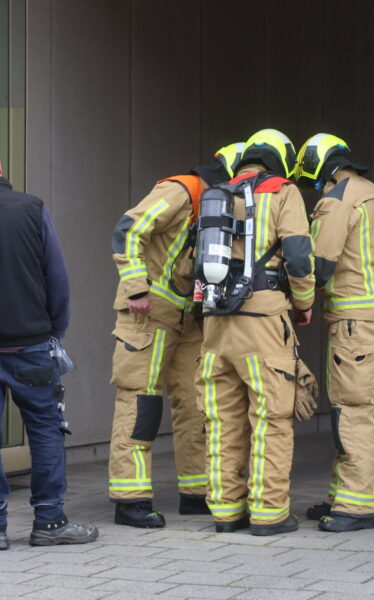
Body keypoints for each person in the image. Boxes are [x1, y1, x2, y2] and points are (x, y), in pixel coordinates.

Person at [0, 140, 98, 550]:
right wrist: (53, 330)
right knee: (45, 430)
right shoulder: (33, 209)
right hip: (30, 344)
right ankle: (49, 521)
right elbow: (56, 276)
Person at [106, 143, 244, 528]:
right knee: (141, 402)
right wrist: (135, 286)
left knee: (196, 401)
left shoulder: (220, 203)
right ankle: (130, 498)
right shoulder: (182, 190)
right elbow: (128, 229)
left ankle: (195, 492)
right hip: (147, 311)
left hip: (188, 317)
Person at [195, 129, 316, 536]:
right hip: (263, 322)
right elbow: (299, 256)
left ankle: (226, 512)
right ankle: (269, 514)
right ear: (279, 159)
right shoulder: (284, 192)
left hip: (215, 324)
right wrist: (303, 303)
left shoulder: (216, 193)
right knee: (271, 418)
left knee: (222, 420)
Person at [295, 133, 374, 532]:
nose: (315, 188)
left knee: (351, 414)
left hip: (354, 321)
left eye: (313, 181)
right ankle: (339, 499)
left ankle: (355, 509)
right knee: (352, 410)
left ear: (323, 169)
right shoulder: (373, 193)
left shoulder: (339, 200)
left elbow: (320, 263)